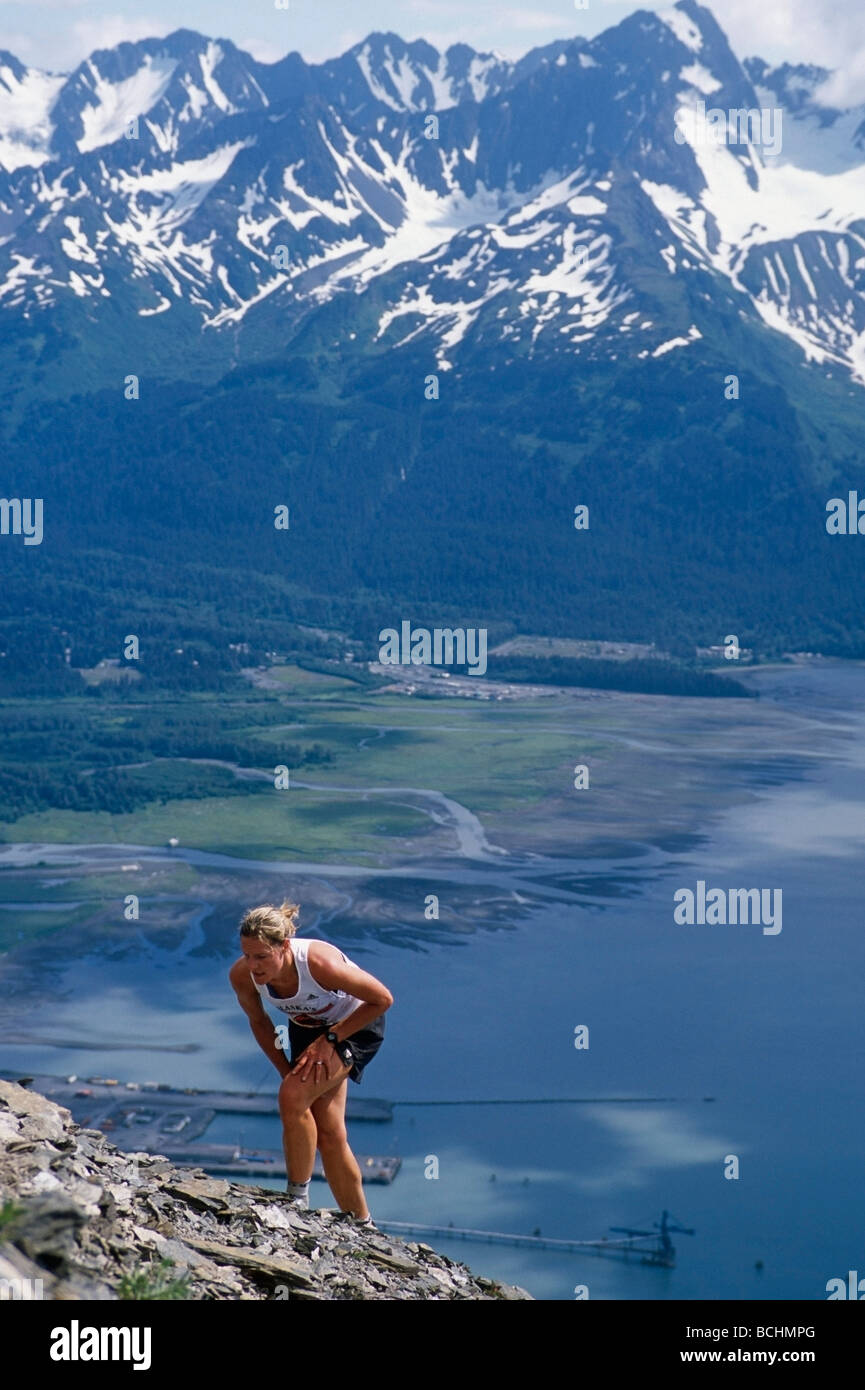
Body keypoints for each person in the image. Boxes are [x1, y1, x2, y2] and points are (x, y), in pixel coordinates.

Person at [229, 899, 393, 1226]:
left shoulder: (318, 965)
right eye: (248, 955)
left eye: (262, 956)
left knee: (292, 1097)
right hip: (306, 1028)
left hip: (355, 1025)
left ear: (284, 947)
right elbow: (260, 1023)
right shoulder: (243, 975)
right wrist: (285, 1071)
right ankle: (363, 1223)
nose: (254, 965)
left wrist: (331, 1039)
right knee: (330, 1133)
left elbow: (382, 999)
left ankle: (296, 1200)